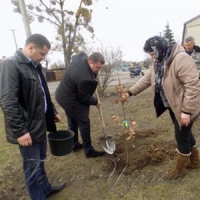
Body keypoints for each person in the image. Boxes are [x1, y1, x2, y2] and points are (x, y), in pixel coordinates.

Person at [0, 34, 66, 199]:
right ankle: (38, 197)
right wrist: (20, 131)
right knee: (32, 165)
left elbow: (43, 94)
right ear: (30, 47)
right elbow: (8, 101)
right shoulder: (11, 64)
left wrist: (53, 112)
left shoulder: (36, 67)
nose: (44, 58)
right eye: (42, 54)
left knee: (41, 160)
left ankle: (46, 188)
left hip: (40, 124)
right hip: (27, 128)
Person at [125, 36, 200, 180]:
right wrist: (130, 92)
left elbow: (193, 86)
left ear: (161, 49)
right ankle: (195, 161)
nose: (152, 57)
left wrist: (186, 111)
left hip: (184, 107)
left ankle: (180, 170)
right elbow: (147, 79)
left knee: (181, 136)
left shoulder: (181, 59)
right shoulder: (159, 61)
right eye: (150, 54)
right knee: (185, 133)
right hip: (173, 105)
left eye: (153, 53)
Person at [55, 52, 106, 158]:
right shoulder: (85, 78)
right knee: (84, 123)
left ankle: (74, 144)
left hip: (62, 95)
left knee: (72, 120)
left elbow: (76, 55)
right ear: (90, 62)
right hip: (70, 99)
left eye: (100, 67)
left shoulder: (81, 57)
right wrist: (95, 102)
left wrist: (94, 73)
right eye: (97, 67)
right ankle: (89, 151)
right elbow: (83, 97)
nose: (98, 70)